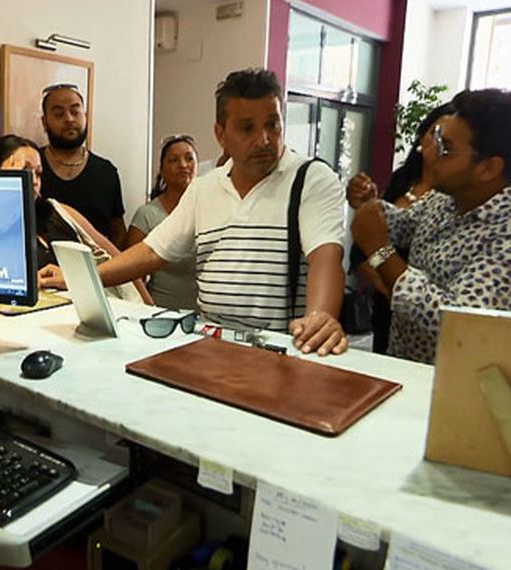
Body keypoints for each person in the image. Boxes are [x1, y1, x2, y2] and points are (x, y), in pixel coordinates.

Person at [42, 68, 348, 356]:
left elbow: (326, 256)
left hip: (280, 351)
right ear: (221, 134)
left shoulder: (311, 178)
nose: (264, 139)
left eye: (273, 124)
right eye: (247, 128)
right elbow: (151, 252)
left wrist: (320, 317)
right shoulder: (204, 188)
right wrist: (81, 277)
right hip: (210, 347)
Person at [350, 88, 511, 364]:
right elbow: (400, 225)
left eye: (446, 149)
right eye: (438, 138)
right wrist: (371, 206)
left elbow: (454, 322)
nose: (430, 154)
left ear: (488, 168)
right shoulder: (449, 196)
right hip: (407, 367)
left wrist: (380, 251)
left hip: (466, 392)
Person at [0, 134, 150, 304]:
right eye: (25, 170)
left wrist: (149, 306)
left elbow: (116, 257)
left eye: (39, 174)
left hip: (88, 311)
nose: (34, 180)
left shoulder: (57, 211)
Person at [345, 102, 454, 353]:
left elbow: (377, 242)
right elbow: (367, 240)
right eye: (435, 135)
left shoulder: (452, 196)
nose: (439, 145)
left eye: (449, 142)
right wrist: (367, 206)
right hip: (387, 301)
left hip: (420, 306)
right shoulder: (402, 180)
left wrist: (386, 264)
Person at [39, 84, 129, 249]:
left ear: (85, 116)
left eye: (75, 112)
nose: (69, 119)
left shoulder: (106, 172)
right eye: (59, 114)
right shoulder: (32, 167)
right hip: (44, 270)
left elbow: (118, 232)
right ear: (44, 122)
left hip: (98, 270)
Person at [126, 134, 199, 310]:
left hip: (205, 317)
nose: (183, 165)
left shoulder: (211, 210)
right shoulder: (147, 214)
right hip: (160, 313)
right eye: (174, 160)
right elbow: (133, 276)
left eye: (189, 158)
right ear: (162, 170)